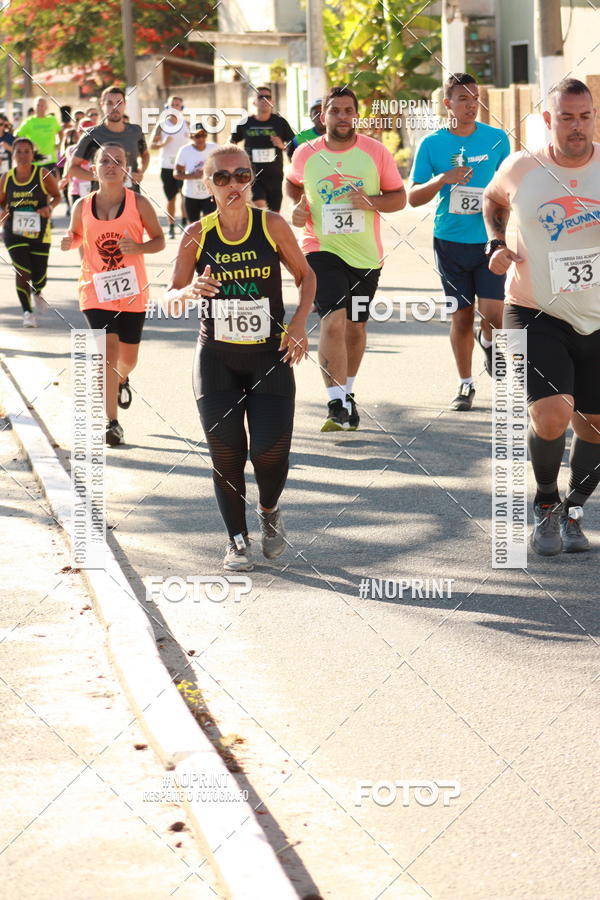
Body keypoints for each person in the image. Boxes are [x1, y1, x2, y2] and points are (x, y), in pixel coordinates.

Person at [165, 143, 315, 571]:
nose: (234, 184)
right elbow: (171, 296)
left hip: (270, 355)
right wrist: (189, 291)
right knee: (226, 454)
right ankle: (236, 540)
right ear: (206, 184)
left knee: (270, 453)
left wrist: (300, 323)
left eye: (242, 175)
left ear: (252, 180)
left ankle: (268, 511)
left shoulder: (271, 225)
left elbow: (306, 276)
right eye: (223, 177)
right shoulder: (197, 234)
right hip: (216, 359)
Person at [483, 77, 600, 555]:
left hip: (596, 316)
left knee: (594, 426)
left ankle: (573, 512)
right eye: (566, 117)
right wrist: (496, 242)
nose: (577, 126)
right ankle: (547, 504)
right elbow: (492, 201)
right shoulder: (521, 167)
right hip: (534, 309)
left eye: (585, 116)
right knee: (553, 416)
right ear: (548, 120)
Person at [286, 86, 406, 431]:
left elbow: (399, 198)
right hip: (320, 248)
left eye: (347, 110)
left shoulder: (375, 152)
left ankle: (348, 390)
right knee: (333, 320)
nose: (341, 116)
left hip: (366, 256)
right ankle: (335, 402)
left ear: (356, 114)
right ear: (323, 116)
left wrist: (372, 202)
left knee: (355, 327)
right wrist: (297, 206)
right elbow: (293, 183)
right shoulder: (305, 153)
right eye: (334, 110)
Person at [408, 73, 510, 411]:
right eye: (464, 98)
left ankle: (489, 341)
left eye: (476, 97)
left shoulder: (497, 140)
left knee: (494, 314)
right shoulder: (432, 144)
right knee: (461, 316)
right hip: (450, 240)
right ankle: (465, 384)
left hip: (490, 239)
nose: (472, 104)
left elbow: (510, 188)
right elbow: (413, 196)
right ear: (447, 104)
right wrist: (443, 179)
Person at [61, 143, 164, 445]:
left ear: (126, 169)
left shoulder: (139, 203)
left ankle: (121, 379)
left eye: (117, 161)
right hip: (95, 289)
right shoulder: (82, 205)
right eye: (103, 161)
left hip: (132, 291)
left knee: (127, 358)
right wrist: (70, 240)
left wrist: (140, 247)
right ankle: (111, 422)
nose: (110, 165)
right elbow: (76, 234)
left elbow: (158, 240)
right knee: (106, 354)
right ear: (93, 169)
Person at [0, 136, 60, 326]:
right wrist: (3, 212)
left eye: (27, 151)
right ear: (13, 154)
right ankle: (27, 313)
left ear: (33, 154)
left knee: (39, 274)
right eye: (19, 151)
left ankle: (38, 291)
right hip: (13, 231)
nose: (23, 155)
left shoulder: (42, 174)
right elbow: (1, 203)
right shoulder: (6, 178)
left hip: (40, 231)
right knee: (22, 271)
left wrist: (48, 208)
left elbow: (57, 196)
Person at [68, 85, 149, 193]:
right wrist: (98, 176)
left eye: (119, 103)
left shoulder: (136, 131)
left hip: (131, 196)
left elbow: (145, 154)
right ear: (102, 105)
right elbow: (73, 168)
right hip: (101, 201)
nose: (115, 107)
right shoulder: (91, 135)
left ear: (125, 105)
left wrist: (140, 172)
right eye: (109, 103)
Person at [231, 86, 295, 212]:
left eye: (268, 97)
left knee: (274, 214)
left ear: (272, 101)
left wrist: (281, 145)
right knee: (261, 209)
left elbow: (294, 146)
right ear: (254, 101)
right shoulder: (246, 122)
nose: (265, 100)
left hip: (275, 175)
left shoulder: (280, 122)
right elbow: (232, 141)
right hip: (253, 175)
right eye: (261, 97)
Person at [150, 95, 190, 238]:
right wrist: (163, 144)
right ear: (167, 107)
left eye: (178, 105)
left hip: (184, 166)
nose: (175, 107)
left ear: (182, 108)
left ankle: (185, 224)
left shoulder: (187, 124)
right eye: (172, 104)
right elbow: (151, 145)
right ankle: (172, 227)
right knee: (171, 198)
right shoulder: (162, 125)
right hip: (167, 166)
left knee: (185, 196)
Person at [174, 127, 217, 224]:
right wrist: (194, 176)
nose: (201, 139)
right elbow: (176, 174)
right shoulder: (185, 150)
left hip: (209, 194)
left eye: (203, 135)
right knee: (194, 226)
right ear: (191, 137)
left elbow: (223, 166)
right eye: (197, 136)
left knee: (209, 225)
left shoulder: (214, 148)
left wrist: (209, 173)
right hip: (191, 195)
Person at [15, 97, 62, 171]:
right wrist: (27, 147)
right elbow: (17, 135)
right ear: (34, 107)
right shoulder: (29, 121)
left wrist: (59, 143)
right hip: (34, 160)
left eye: (42, 105)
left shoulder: (52, 120)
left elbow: (60, 131)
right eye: (38, 105)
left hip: (50, 160)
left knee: (52, 182)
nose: (40, 108)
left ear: (46, 107)